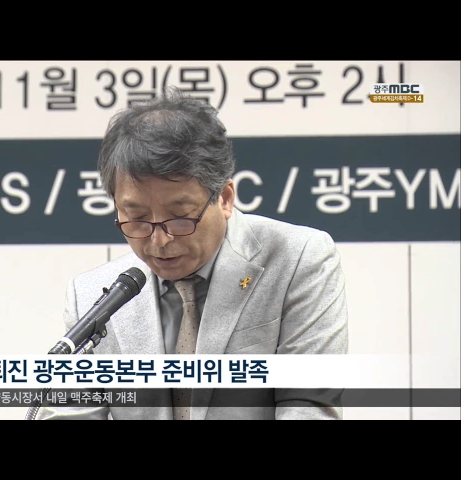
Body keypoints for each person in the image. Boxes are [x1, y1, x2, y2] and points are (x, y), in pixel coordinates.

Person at [35, 86, 348, 420]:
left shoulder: (297, 259)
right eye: (137, 219)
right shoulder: (93, 297)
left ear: (224, 198)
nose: (159, 241)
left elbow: (308, 407)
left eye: (180, 217)